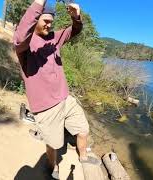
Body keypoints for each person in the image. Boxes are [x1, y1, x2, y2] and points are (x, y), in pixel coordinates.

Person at [13, 0, 100, 179]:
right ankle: (52, 168)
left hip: (66, 99)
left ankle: (83, 157)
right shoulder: (26, 45)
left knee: (83, 129)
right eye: (45, 20)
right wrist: (38, 3)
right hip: (46, 107)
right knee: (53, 144)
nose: (49, 24)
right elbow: (20, 37)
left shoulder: (54, 38)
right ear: (36, 19)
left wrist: (76, 18)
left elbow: (73, 31)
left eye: (51, 21)